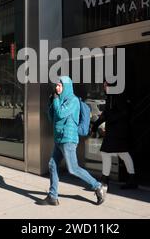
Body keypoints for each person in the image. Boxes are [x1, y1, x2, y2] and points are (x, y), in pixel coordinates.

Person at [38, 76, 106, 206]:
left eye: (60, 85)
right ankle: (53, 196)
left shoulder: (73, 100)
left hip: (68, 139)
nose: (57, 87)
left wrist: (56, 101)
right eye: (56, 85)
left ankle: (98, 186)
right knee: (53, 164)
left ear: (66, 87)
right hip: (59, 138)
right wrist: (51, 103)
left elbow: (61, 114)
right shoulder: (60, 99)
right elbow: (52, 118)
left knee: (73, 168)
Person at [91, 80, 138, 191]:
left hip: (117, 131)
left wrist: (109, 119)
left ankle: (105, 179)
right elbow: (105, 115)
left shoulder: (116, 97)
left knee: (108, 152)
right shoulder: (112, 97)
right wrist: (96, 125)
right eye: (104, 85)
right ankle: (131, 179)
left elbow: (122, 112)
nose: (104, 87)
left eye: (106, 85)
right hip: (116, 131)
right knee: (123, 154)